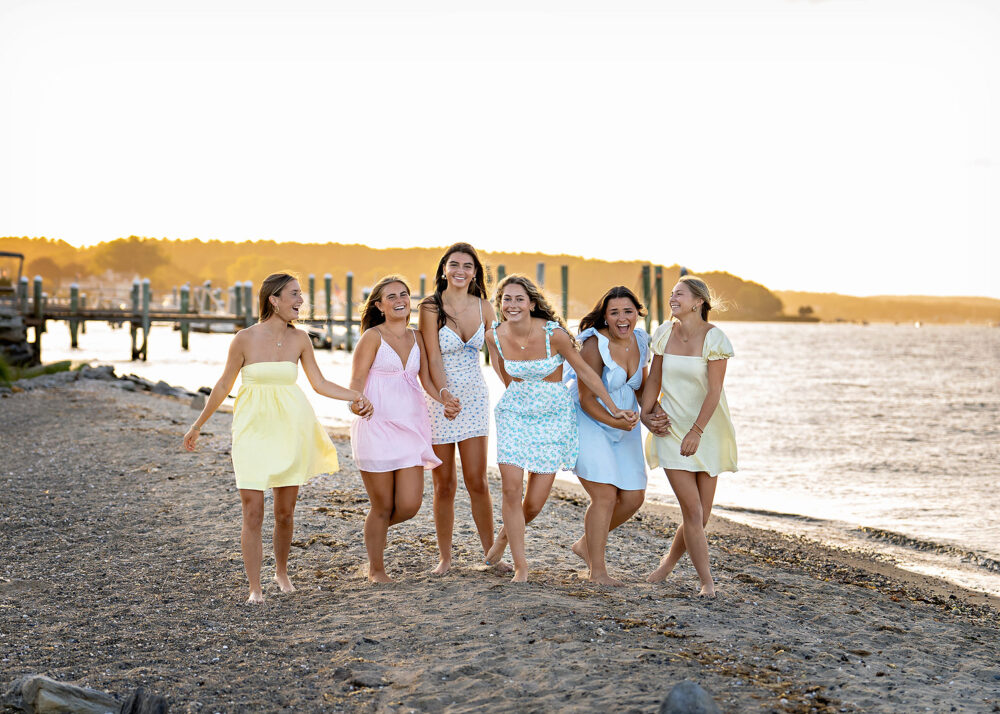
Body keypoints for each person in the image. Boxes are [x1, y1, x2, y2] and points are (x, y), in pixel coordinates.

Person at [182, 272, 370, 604]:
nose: (301, 301)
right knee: (252, 510)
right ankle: (255, 588)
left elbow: (320, 383)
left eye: (301, 295)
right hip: (252, 430)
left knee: (285, 511)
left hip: (290, 428)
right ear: (274, 299)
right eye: (294, 294)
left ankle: (281, 571)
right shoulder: (243, 338)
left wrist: (355, 395)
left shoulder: (301, 340)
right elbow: (224, 385)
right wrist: (198, 425)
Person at [483, 275, 637, 583]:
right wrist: (523, 399)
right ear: (499, 304)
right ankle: (520, 567)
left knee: (534, 504)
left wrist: (614, 407)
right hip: (514, 414)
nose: (512, 305)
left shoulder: (554, 335)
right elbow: (505, 377)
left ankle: (501, 541)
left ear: (532, 303)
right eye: (506, 300)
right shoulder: (493, 336)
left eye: (519, 299)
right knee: (511, 490)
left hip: (553, 418)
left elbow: (585, 373)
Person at [640, 275, 738, 597]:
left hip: (707, 430)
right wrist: (647, 414)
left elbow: (714, 392)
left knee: (701, 516)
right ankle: (707, 582)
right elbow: (653, 380)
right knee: (692, 512)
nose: (672, 298)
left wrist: (697, 431)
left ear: (698, 301)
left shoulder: (715, 339)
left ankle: (668, 562)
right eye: (671, 293)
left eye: (679, 294)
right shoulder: (664, 333)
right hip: (669, 429)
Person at [564, 286, 668, 585]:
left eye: (628, 311)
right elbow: (585, 398)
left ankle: (585, 544)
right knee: (605, 495)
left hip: (625, 421)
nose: (622, 318)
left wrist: (652, 415)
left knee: (633, 497)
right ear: (605, 317)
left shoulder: (641, 339)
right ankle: (597, 570)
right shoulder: (594, 345)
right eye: (614, 313)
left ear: (638, 312)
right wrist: (613, 419)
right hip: (589, 420)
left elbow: (640, 386)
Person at [349, 275, 444, 583]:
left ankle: (373, 533)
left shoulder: (417, 336)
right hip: (375, 425)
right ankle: (376, 569)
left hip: (410, 427)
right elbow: (356, 382)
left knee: (409, 504)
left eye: (403, 294)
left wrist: (444, 398)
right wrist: (356, 403)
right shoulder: (372, 337)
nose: (399, 299)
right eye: (391, 296)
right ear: (379, 305)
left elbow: (427, 379)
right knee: (382, 505)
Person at [418, 243, 503, 575]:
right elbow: (432, 357)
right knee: (445, 483)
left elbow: (496, 355)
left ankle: (491, 555)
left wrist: (514, 385)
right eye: (454, 264)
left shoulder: (486, 308)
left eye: (468, 266)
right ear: (444, 269)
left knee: (477, 480)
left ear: (475, 272)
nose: (460, 270)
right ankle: (445, 559)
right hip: (440, 398)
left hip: (475, 398)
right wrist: (443, 395)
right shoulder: (430, 307)